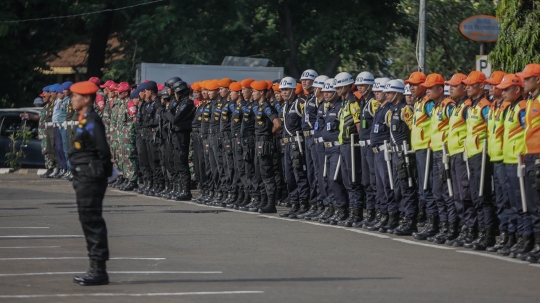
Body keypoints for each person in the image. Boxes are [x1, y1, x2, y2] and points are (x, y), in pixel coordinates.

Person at [69, 81, 112, 286]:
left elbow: (103, 150)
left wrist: (103, 173)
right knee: (87, 220)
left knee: (92, 221)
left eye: (75, 96)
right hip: (83, 176)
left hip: (90, 177)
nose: (72, 99)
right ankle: (94, 267)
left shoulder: (92, 120)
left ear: (86, 98)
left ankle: (99, 269)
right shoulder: (84, 118)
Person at [495, 74, 529, 257]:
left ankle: (525, 238)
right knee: (510, 202)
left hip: (519, 160)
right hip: (507, 160)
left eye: (507, 88)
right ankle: (513, 237)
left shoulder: (522, 108)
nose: (503, 91)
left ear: (517, 89)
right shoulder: (509, 108)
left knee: (521, 202)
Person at [421, 74, 456, 244]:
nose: (426, 90)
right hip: (435, 152)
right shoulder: (435, 107)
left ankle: (451, 227)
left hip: (444, 153)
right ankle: (442, 226)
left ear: (440, 89)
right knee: (437, 191)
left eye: (430, 88)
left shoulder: (449, 106)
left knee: (447, 192)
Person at [462, 71, 496, 249]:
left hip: (482, 155)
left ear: (481, 86)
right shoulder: (471, 106)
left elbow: (491, 131)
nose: (466, 87)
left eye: (470, 84)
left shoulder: (485, 106)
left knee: (483, 196)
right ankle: (481, 232)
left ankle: (487, 234)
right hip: (471, 154)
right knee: (475, 196)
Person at [444, 73, 474, 247]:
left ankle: (470, 228)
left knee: (464, 193)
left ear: (464, 88)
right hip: (454, 154)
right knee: (455, 193)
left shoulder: (468, 107)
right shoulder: (456, 107)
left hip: (463, 155)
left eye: (455, 86)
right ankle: (464, 227)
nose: (451, 88)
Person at [386, 80, 418, 236]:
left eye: (389, 93)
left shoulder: (405, 110)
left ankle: (410, 219)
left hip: (404, 154)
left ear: (398, 93)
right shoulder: (391, 111)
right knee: (398, 188)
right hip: (395, 154)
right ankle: (401, 217)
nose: (387, 95)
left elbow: (414, 130)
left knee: (407, 188)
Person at [335, 72, 365, 226]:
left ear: (347, 86)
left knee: (354, 180)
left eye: (339, 86)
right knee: (346, 180)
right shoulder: (344, 103)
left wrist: (358, 145)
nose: (337, 89)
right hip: (344, 144)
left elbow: (358, 125)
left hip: (352, 145)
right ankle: (351, 211)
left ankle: (357, 213)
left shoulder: (353, 103)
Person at [278, 76, 309, 218]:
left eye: (286, 89)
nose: (283, 92)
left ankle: (303, 203)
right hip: (287, 144)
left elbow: (306, 124)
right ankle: (294, 203)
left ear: (293, 90)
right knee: (289, 176)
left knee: (299, 174)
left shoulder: (300, 103)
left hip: (298, 143)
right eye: (282, 90)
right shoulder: (285, 106)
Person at [250, 80, 282, 213]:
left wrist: (270, 134)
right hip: (258, 142)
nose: (252, 93)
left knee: (266, 173)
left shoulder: (266, 107)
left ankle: (270, 203)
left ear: (261, 92)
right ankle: (263, 201)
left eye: (254, 91)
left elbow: (277, 124)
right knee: (259, 173)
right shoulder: (259, 106)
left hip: (265, 142)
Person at [521, 63, 540, 262]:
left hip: (538, 156)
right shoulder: (530, 100)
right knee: (533, 204)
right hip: (530, 155)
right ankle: (536, 243)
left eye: (527, 78)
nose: (524, 81)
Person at [354, 72, 379, 227]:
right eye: (358, 85)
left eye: (363, 85)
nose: (360, 88)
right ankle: (370, 212)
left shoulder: (373, 103)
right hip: (363, 145)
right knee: (366, 181)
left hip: (371, 145)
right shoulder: (363, 102)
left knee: (373, 180)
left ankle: (376, 213)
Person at [170, 80, 196, 200]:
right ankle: (180, 188)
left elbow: (174, 119)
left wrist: (166, 112)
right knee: (177, 163)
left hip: (182, 137)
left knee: (182, 162)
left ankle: (186, 190)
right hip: (176, 137)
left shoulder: (187, 103)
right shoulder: (178, 103)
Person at [300, 69, 320, 215]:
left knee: (316, 173)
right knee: (310, 173)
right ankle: (312, 203)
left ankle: (318, 204)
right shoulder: (308, 98)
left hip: (314, 137)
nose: (304, 82)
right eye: (303, 80)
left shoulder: (317, 98)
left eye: (307, 80)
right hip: (307, 137)